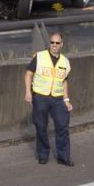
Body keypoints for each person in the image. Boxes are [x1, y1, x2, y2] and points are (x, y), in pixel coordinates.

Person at [24, 32, 74, 166]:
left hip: (58, 99)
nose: (54, 45)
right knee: (41, 127)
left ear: (62, 45)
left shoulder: (65, 62)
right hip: (41, 97)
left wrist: (66, 100)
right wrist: (28, 92)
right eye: (52, 42)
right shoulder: (40, 57)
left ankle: (63, 157)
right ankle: (43, 154)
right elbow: (28, 74)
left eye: (57, 43)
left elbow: (64, 82)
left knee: (63, 127)